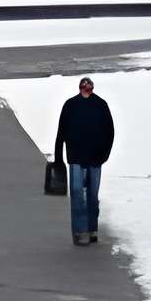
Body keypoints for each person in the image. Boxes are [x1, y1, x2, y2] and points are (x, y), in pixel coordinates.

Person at [52, 77, 115, 245]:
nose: (86, 91)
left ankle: (92, 229)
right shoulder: (70, 105)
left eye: (88, 88)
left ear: (92, 89)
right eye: (84, 88)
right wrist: (58, 158)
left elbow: (110, 132)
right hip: (76, 158)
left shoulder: (101, 105)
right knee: (77, 194)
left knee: (92, 195)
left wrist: (104, 155)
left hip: (95, 158)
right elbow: (61, 132)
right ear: (80, 88)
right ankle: (79, 231)